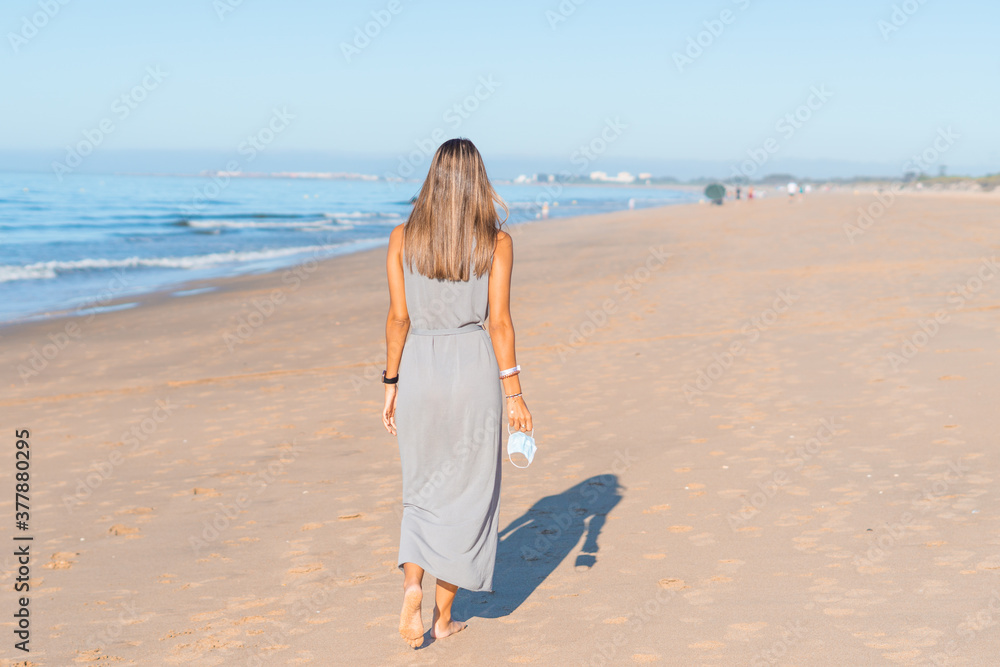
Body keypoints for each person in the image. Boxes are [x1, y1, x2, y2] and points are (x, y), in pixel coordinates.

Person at [381, 138, 533, 648]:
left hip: (420, 367)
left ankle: (411, 586)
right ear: (478, 181)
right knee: (468, 498)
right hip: (472, 370)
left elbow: (398, 318)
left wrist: (390, 383)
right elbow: (501, 324)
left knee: (421, 492)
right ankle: (442, 620)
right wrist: (514, 394)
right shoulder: (496, 242)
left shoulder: (402, 238)